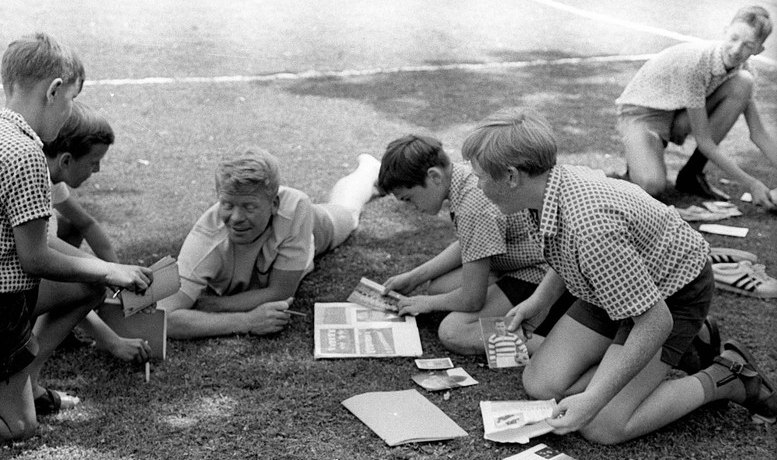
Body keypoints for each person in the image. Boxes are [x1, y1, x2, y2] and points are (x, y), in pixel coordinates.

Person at [462, 108, 776, 445]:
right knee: (541, 385)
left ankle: (727, 375)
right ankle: (678, 348)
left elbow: (655, 322)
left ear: (511, 177)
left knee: (602, 425)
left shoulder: (591, 227)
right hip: (611, 290)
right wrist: (539, 299)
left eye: (481, 177)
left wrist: (594, 400)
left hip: (672, 296)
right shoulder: (546, 187)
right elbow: (565, 249)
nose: (478, 186)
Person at [0, 33, 152, 444]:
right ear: (54, 90)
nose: (70, 111)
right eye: (71, 99)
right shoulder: (24, 155)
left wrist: (110, 271)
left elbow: (37, 241)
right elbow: (35, 259)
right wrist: (112, 269)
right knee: (16, 427)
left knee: (88, 285)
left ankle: (27, 380)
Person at [377, 135, 572, 355]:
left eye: (409, 198)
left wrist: (427, 304)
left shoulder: (472, 205)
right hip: (516, 263)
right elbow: (469, 243)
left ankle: (554, 348)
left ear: (434, 176)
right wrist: (415, 276)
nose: (412, 207)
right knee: (438, 287)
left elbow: (472, 300)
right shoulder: (460, 177)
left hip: (536, 273)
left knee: (454, 331)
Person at [158, 147, 379, 338]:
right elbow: (162, 317)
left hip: (311, 234)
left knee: (348, 213)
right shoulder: (205, 241)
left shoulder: (294, 208)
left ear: (274, 203)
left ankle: (368, 170)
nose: (235, 218)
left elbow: (280, 291)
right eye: (227, 204)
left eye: (249, 206)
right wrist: (246, 322)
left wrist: (219, 306)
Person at [615, 5, 777, 209]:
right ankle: (636, 165)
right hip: (642, 114)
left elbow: (759, 133)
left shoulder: (744, 69)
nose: (737, 50)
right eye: (734, 38)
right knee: (652, 186)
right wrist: (751, 184)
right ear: (725, 31)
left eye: (748, 45)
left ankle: (691, 175)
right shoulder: (698, 63)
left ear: (758, 50)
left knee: (744, 82)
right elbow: (704, 141)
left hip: (677, 112)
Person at [42, 102, 151, 363]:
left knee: (70, 229)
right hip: (1, 296)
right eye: (94, 162)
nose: (97, 170)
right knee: (90, 283)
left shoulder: (50, 175)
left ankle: (55, 323)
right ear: (66, 160)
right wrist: (113, 342)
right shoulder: (35, 182)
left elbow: (86, 223)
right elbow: (46, 247)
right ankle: (30, 365)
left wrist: (119, 270)